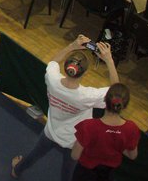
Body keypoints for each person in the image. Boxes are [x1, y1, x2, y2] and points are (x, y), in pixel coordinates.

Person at [11, 35, 119, 181]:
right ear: (84, 73)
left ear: (66, 68)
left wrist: (72, 46)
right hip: (74, 141)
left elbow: (53, 62)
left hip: (52, 131)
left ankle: (17, 170)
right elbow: (116, 93)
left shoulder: (52, 80)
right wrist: (109, 60)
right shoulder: (87, 96)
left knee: (35, 154)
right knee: (68, 171)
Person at [71, 83, 140, 181]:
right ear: (124, 106)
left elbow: (74, 155)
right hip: (108, 174)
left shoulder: (88, 126)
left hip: (85, 173)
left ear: (104, 100)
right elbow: (132, 155)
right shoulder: (131, 128)